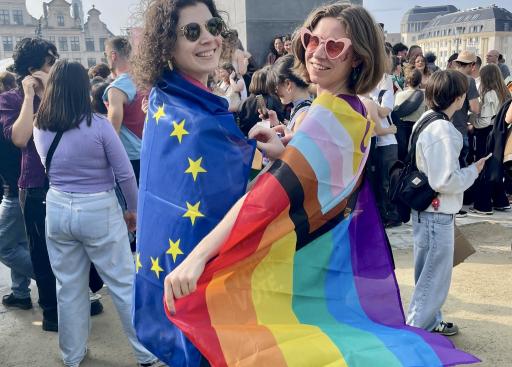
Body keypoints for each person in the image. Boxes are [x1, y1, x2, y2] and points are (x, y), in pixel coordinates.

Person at [164, 0, 386, 323]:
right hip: (331, 256)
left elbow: (264, 198)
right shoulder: (351, 107)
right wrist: (288, 149)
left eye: (335, 46)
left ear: (357, 57)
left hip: (305, 262)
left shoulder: (327, 115)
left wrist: (196, 257)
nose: (318, 53)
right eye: (313, 40)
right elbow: (322, 170)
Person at [130, 1, 280, 366]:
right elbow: (238, 197)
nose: (209, 39)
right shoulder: (192, 119)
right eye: (192, 32)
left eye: (212, 26)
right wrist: (275, 157)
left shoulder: (169, 99)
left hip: (173, 274)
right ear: (166, 44)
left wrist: (250, 138)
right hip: (195, 280)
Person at [32, 60, 159, 367]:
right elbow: (125, 175)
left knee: (69, 286)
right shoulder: (98, 125)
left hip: (59, 207)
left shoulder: (40, 125)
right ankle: (145, 354)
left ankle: (72, 355)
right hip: (98, 208)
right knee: (123, 283)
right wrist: (133, 210)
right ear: (82, 89)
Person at [406, 69, 487, 336]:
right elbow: (444, 180)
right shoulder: (444, 130)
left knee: (426, 273)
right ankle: (417, 329)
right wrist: (473, 171)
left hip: (425, 209)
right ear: (458, 97)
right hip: (437, 211)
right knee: (434, 276)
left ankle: (428, 321)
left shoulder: (427, 120)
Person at [1, 69, 34, 312]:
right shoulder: (21, 110)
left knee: (4, 246)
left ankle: (52, 278)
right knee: (20, 242)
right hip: (20, 187)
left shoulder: (10, 114)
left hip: (14, 189)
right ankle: (20, 292)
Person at [103, 36, 146, 184]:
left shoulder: (116, 88)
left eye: (106, 55)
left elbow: (113, 132)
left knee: (132, 205)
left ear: (113, 56)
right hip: (153, 150)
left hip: (130, 158)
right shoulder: (147, 79)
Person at [469, 64, 511, 215]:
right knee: (495, 166)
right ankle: (500, 200)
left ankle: (483, 204)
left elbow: (485, 120)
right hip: (500, 132)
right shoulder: (505, 92)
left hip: (487, 133)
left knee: (484, 167)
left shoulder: (488, 94)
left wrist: (472, 122)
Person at [266, 54, 312, 132]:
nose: (275, 92)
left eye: (276, 87)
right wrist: (276, 124)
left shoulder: (303, 116)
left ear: (288, 84)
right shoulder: (302, 108)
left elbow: (293, 144)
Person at [236, 66, 285, 136]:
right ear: (268, 82)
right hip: (268, 139)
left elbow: (240, 122)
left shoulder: (244, 102)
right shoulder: (274, 100)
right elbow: (280, 120)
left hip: (248, 139)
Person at [394, 67, 426, 161]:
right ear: (420, 81)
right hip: (417, 127)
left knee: (402, 155)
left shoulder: (399, 95)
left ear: (407, 81)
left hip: (401, 128)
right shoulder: (423, 96)